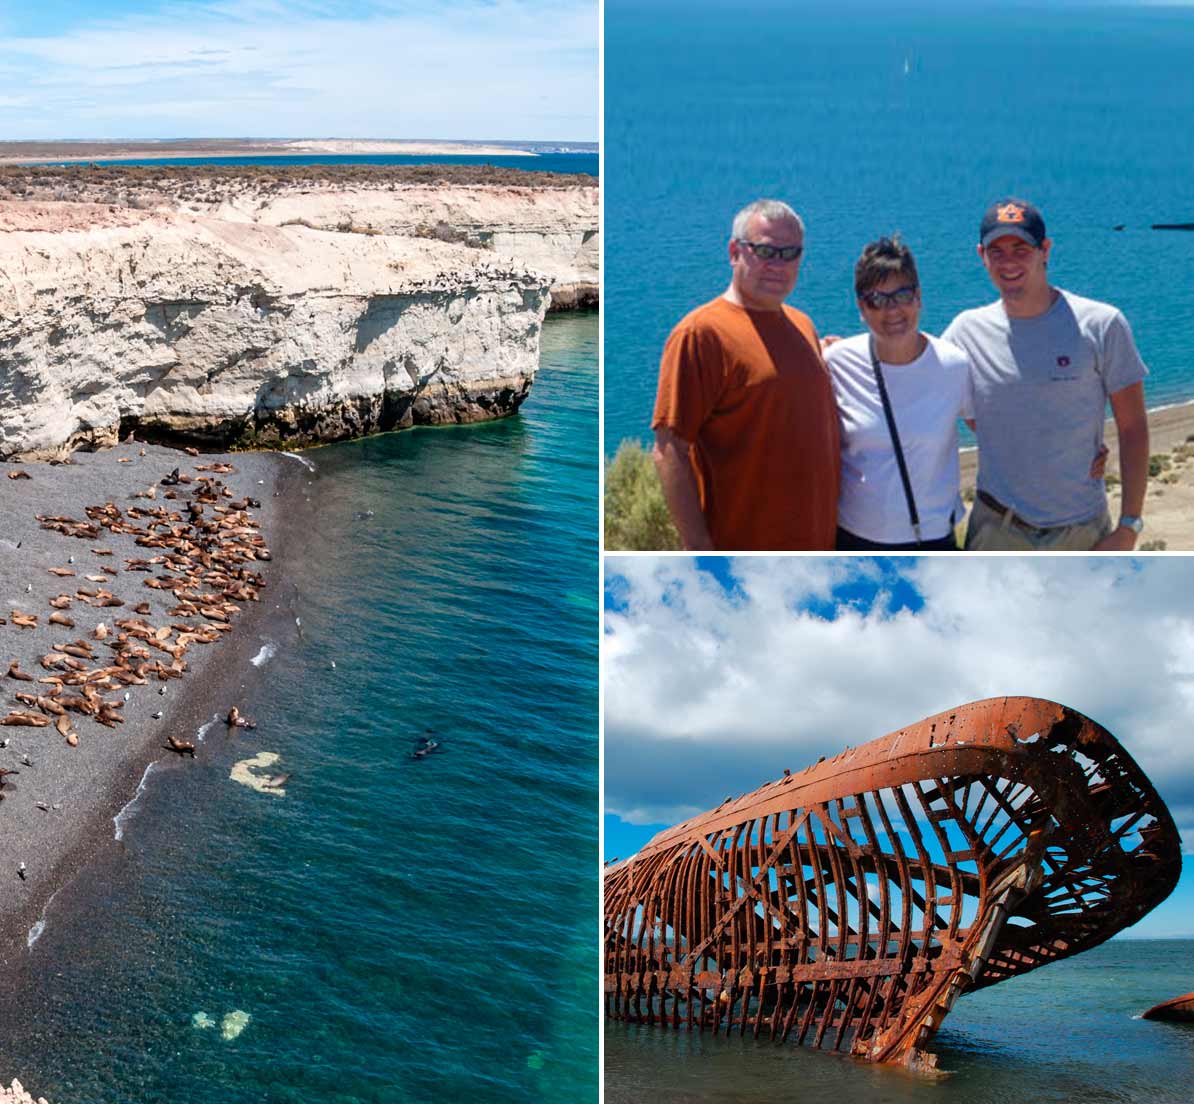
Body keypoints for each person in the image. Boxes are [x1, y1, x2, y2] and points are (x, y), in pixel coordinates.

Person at [943, 198, 1149, 551]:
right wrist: (835, 351)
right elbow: (914, 373)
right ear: (981, 255)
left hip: (1081, 531)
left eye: (1020, 249)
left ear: (1045, 250)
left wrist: (1129, 525)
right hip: (997, 531)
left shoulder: (1102, 325)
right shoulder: (965, 332)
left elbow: (1133, 428)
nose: (1008, 262)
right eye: (997, 251)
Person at [651, 199, 839, 551]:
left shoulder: (803, 325)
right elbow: (669, 450)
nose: (778, 265)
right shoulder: (701, 333)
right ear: (735, 251)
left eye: (790, 253)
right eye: (766, 251)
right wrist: (699, 550)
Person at [825, 236, 972, 551]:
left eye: (902, 295)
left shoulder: (954, 365)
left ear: (919, 297)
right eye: (877, 299)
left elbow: (995, 433)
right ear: (861, 307)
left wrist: (1083, 448)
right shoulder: (837, 362)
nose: (892, 310)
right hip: (853, 540)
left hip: (932, 540)